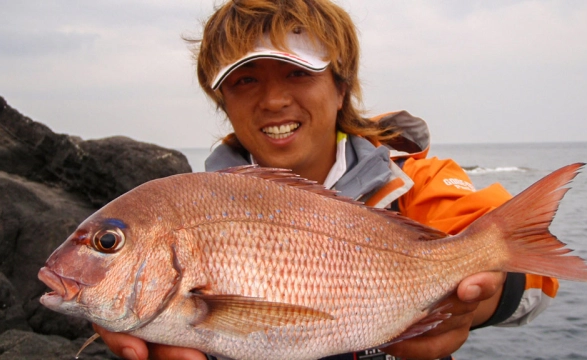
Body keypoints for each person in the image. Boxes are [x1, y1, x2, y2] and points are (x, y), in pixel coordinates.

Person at [95, 0, 558, 359]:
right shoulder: (192, 209)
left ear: (341, 87)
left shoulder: (414, 181)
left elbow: (535, 289)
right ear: (223, 103)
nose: (274, 100)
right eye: (245, 81)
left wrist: (470, 306)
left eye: (298, 73)